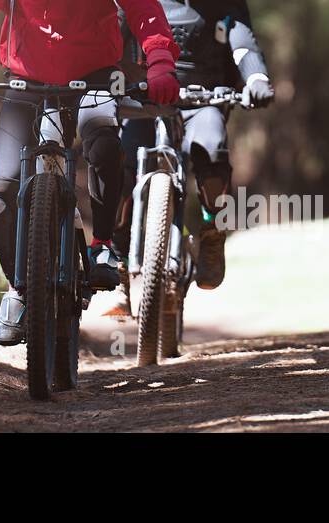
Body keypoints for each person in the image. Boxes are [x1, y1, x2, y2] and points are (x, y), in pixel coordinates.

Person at [0, 0, 182, 345]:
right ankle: (19, 288)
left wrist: (160, 60)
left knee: (104, 146)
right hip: (26, 81)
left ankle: (102, 245)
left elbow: (144, 9)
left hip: (95, 77)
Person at [109, 0, 275, 311]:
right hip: (142, 102)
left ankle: (213, 231)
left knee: (211, 151)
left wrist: (256, 78)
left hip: (203, 101)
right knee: (119, 167)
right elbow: (110, 37)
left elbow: (241, 42)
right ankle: (118, 264)